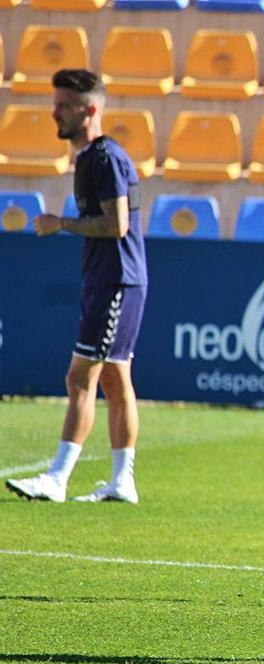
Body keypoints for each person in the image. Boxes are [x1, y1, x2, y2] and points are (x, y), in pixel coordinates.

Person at [4, 69, 147, 505]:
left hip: (116, 281)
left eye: (64, 105)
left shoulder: (102, 158)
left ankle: (57, 477)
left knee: (80, 377)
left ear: (90, 109)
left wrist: (59, 223)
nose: (55, 113)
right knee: (114, 377)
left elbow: (117, 223)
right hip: (117, 279)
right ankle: (123, 482)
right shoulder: (95, 158)